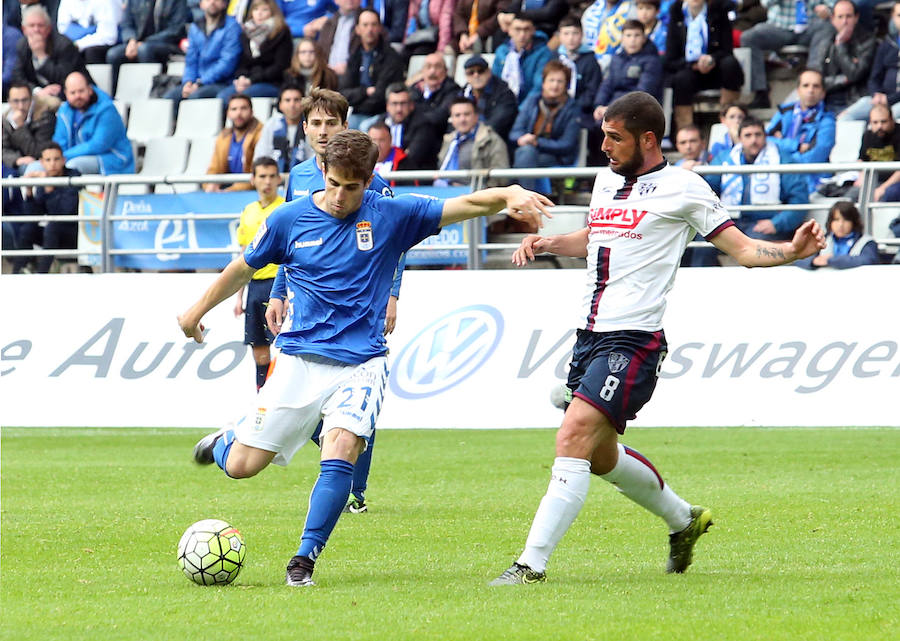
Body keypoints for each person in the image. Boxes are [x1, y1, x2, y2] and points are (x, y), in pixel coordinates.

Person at [180, 130, 552, 587]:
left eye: (351, 188)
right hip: (297, 360)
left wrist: (511, 192)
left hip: (361, 363)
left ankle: (303, 560)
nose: (340, 196)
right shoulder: (289, 219)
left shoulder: (392, 214)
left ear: (369, 180)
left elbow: (469, 205)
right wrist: (194, 312)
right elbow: (244, 267)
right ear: (322, 172)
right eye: (333, 183)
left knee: (341, 448)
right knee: (241, 467)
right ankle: (224, 441)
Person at [489, 91, 825, 586]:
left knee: (573, 436)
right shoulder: (606, 181)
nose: (603, 145)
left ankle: (529, 566)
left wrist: (791, 252)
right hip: (589, 337)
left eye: (613, 136)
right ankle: (684, 520)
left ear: (648, 139)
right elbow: (595, 237)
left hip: (634, 341)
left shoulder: (685, 188)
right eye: (603, 133)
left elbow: (745, 249)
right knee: (599, 457)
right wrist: (547, 243)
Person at [278, 88, 399, 514]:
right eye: (316, 123)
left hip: (358, 305)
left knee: (354, 396)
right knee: (302, 399)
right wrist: (278, 292)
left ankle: (355, 489)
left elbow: (392, 245)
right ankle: (342, 468)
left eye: (333, 123)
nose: (324, 131)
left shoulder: (372, 182)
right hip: (306, 303)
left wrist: (392, 295)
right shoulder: (296, 176)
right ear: (305, 128)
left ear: (345, 126)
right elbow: (286, 240)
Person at [700, 116, 808, 269]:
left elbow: (799, 199)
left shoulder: (783, 159)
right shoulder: (724, 159)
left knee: (756, 243)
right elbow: (707, 189)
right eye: (748, 135)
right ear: (739, 138)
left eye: (758, 135)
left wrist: (776, 223)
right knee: (700, 239)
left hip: (765, 223)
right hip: (729, 222)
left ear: (765, 137)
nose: (754, 140)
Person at [233, 156, 285, 390]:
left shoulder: (285, 207)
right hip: (255, 287)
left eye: (272, 176)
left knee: (285, 350)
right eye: (262, 176)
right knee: (260, 353)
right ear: (253, 180)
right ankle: (261, 405)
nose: (267, 182)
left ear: (279, 179)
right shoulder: (248, 211)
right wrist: (238, 296)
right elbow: (244, 254)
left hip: (279, 285)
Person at [664, 0, 743, 133]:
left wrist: (712, 59)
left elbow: (727, 50)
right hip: (689, 70)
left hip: (716, 69)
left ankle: (729, 115)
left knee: (730, 64)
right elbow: (670, 59)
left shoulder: (719, 10)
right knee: (681, 78)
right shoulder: (676, 13)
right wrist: (692, 64)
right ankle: (685, 131)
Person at [739, 0, 834, 109]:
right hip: (779, 27)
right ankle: (760, 92)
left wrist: (827, 10)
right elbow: (765, 3)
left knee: (828, 27)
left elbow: (834, 5)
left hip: (811, 27)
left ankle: (813, 82)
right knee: (749, 37)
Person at [509, 59, 581, 193]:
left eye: (560, 81)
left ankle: (521, 200)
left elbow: (567, 144)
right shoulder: (532, 101)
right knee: (524, 153)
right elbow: (515, 131)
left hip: (556, 157)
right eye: (551, 80)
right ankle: (525, 200)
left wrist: (537, 142)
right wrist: (521, 139)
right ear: (543, 83)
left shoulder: (572, 108)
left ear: (566, 85)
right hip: (529, 151)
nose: (555, 85)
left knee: (525, 154)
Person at [766, 68, 836, 196]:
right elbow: (765, 141)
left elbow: (815, 157)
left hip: (811, 183)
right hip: (778, 177)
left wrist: (781, 158)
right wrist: (795, 146)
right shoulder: (784, 112)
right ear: (798, 90)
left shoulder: (827, 120)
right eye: (806, 85)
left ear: (823, 93)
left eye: (816, 86)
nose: (810, 90)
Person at [163, 0, 243, 111]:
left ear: (225, 3)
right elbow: (191, 61)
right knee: (168, 99)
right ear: (201, 4)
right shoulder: (195, 28)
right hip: (197, 82)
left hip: (222, 83)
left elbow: (227, 63)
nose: (212, 2)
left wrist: (201, 83)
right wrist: (188, 82)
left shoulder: (232, 27)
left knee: (195, 97)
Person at [53, 70, 134, 174]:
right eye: (73, 93)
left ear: (90, 90)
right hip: (71, 156)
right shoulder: (64, 111)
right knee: (37, 167)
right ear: (66, 94)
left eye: (81, 91)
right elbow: (59, 140)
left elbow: (98, 145)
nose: (77, 96)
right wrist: (55, 157)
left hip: (111, 159)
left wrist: (63, 156)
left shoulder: (106, 109)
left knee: (72, 166)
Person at [337, 8, 405, 129]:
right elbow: (343, 92)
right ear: (358, 29)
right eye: (365, 25)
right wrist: (365, 92)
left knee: (363, 128)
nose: (370, 29)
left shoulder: (390, 56)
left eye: (374, 25)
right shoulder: (355, 55)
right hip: (356, 112)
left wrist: (356, 102)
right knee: (340, 128)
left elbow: (380, 95)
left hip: (380, 113)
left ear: (380, 28)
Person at [20, 141, 81, 273]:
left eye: (56, 159)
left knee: (52, 227)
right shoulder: (45, 178)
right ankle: (17, 273)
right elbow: (34, 216)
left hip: (75, 235)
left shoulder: (74, 177)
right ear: (42, 162)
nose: (52, 164)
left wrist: (48, 187)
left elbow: (65, 212)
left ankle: (41, 274)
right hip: (53, 235)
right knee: (26, 230)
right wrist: (29, 191)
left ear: (63, 160)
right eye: (48, 160)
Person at [12, 5, 88, 107]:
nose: (36, 29)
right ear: (24, 29)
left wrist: (41, 56)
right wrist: (37, 91)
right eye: (31, 25)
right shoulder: (21, 45)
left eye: (40, 25)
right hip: (36, 97)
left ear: (49, 28)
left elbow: (65, 78)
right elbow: (18, 77)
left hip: (69, 96)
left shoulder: (64, 45)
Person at [837, 1, 900, 122]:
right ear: (893, 17)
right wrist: (876, 94)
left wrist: (890, 99)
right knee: (845, 117)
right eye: (899, 15)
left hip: (895, 102)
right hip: (880, 99)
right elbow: (874, 77)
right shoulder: (887, 44)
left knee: (895, 116)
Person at [809, 0, 875, 113]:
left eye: (848, 16)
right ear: (832, 19)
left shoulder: (867, 41)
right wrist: (843, 79)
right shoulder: (824, 41)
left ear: (856, 17)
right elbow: (815, 78)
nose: (845, 21)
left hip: (856, 101)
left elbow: (855, 75)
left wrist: (840, 46)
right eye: (840, 17)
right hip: (826, 100)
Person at [218, 0, 293, 101]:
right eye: (256, 9)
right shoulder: (245, 34)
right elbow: (242, 64)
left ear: (273, 12)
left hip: (272, 82)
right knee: (223, 96)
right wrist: (241, 78)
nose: (259, 13)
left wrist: (252, 80)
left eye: (264, 10)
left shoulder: (282, 33)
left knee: (243, 96)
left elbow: (280, 66)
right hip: (248, 81)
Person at [436, 95, 509, 187]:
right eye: (457, 115)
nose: (462, 119)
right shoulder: (449, 140)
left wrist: (482, 193)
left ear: (476, 116)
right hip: (445, 192)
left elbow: (501, 177)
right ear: (451, 119)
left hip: (477, 196)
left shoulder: (492, 140)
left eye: (466, 114)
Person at [377, 82, 443, 170]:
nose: (399, 109)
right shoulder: (381, 123)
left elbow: (412, 158)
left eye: (403, 103)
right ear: (387, 106)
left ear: (411, 105)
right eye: (394, 103)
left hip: (413, 178)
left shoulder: (424, 125)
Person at [204, 93, 263, 192]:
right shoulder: (223, 136)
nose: (238, 113)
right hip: (226, 190)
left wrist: (229, 191)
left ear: (252, 112)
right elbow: (213, 169)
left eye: (243, 108)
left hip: (252, 192)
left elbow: (259, 174)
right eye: (234, 109)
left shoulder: (261, 134)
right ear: (228, 113)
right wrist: (209, 185)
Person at [105, 0, 188, 69]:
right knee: (113, 54)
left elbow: (175, 30)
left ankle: (152, 87)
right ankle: (115, 88)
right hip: (138, 43)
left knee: (144, 49)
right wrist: (131, 40)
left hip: (168, 44)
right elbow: (126, 24)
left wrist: (145, 42)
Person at [492, 14, 554, 105]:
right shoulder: (501, 51)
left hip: (531, 106)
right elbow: (494, 82)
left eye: (526, 29)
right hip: (503, 105)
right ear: (509, 31)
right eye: (517, 29)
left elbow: (538, 87)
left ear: (533, 31)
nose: (522, 35)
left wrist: (522, 111)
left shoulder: (543, 53)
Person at [795, 201, 879, 268]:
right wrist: (813, 261)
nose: (840, 225)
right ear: (830, 222)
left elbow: (868, 260)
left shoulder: (867, 242)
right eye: (836, 220)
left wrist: (831, 260)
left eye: (846, 220)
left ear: (854, 222)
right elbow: (799, 258)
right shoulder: (820, 240)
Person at [556, 15, 604, 127]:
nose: (571, 38)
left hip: (580, 111)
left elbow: (592, 92)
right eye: (566, 34)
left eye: (575, 33)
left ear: (582, 35)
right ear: (560, 36)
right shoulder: (554, 58)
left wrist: (571, 106)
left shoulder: (590, 60)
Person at [459, 54, 518, 144]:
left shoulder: (504, 93)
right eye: (471, 72)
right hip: (466, 139)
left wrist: (471, 133)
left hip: (495, 142)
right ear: (466, 76)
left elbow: (497, 125)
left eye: (480, 71)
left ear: (489, 72)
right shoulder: (462, 94)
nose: (476, 75)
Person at [3, 82, 56, 175]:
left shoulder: (45, 116)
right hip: (15, 161)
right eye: (16, 101)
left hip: (38, 162)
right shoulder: (5, 119)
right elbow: (3, 149)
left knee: (31, 168)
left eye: (24, 100)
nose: (21, 106)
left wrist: (20, 127)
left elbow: (39, 151)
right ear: (9, 101)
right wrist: (16, 159)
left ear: (32, 99)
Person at [254, 86, 310, 172]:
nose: (292, 105)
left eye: (296, 100)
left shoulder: (311, 124)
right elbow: (261, 155)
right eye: (287, 100)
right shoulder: (272, 125)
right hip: (274, 178)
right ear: (280, 105)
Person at [408, 51, 461, 132]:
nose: (432, 71)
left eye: (438, 67)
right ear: (422, 71)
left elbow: (441, 115)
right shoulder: (414, 89)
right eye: (428, 67)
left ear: (446, 71)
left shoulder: (453, 90)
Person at [55, 0, 122, 64]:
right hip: (78, 42)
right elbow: (62, 30)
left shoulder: (105, 2)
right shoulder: (66, 2)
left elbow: (109, 36)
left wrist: (79, 44)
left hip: (108, 43)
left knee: (91, 52)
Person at [581, 0, 637, 72]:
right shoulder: (592, 11)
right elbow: (584, 40)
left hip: (621, 64)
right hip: (592, 64)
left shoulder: (632, 10)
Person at [317, 0, 360, 76]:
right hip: (329, 75)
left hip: (354, 76)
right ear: (336, 1)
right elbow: (320, 51)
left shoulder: (367, 21)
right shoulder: (328, 23)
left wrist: (349, 67)